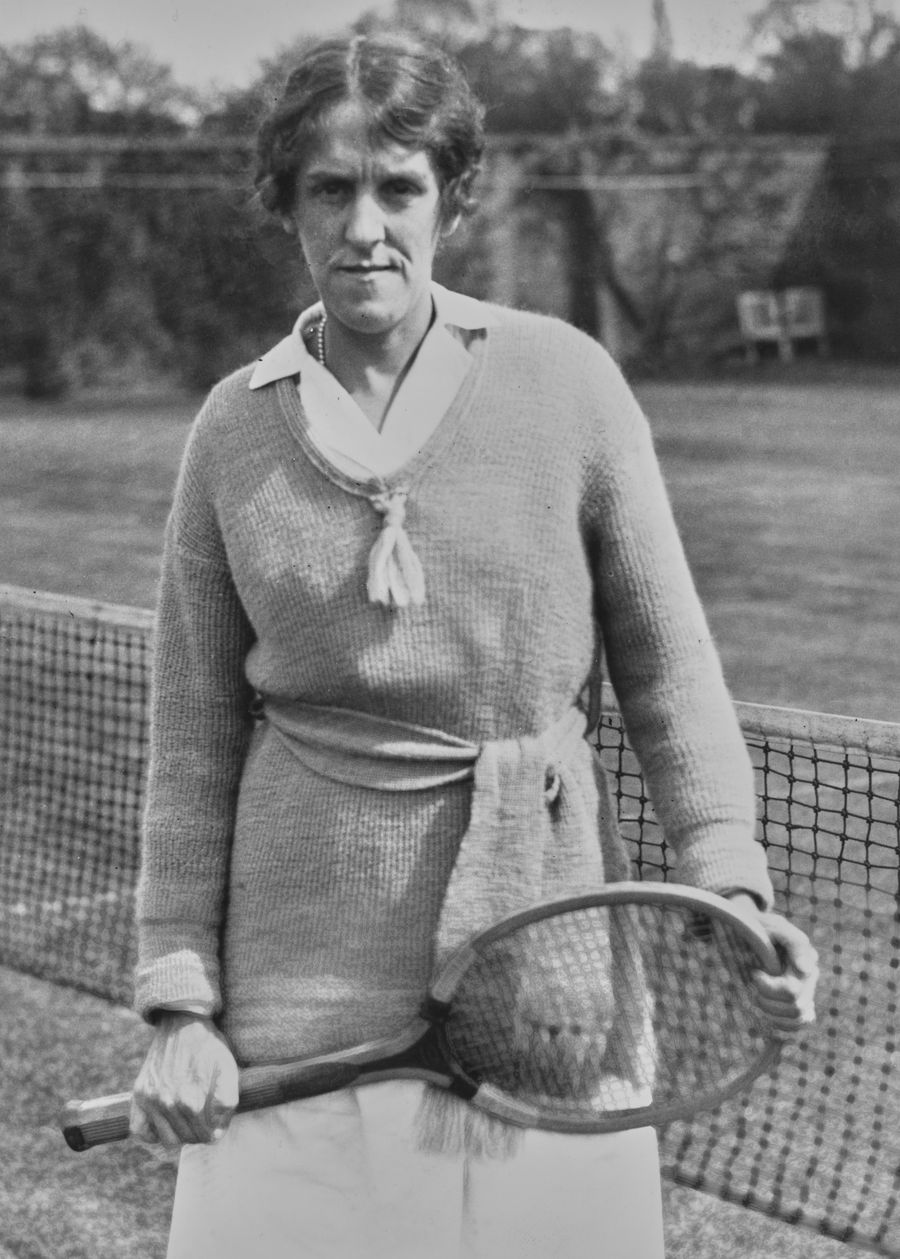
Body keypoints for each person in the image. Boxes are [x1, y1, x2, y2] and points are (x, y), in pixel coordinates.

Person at [129, 30, 818, 1259]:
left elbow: (668, 675)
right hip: (300, 1017)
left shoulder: (568, 383)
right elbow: (190, 743)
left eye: (398, 187)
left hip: (554, 976)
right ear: (285, 202)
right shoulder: (232, 435)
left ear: (453, 195)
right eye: (330, 189)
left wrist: (730, 881)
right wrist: (180, 1002)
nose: (365, 227)